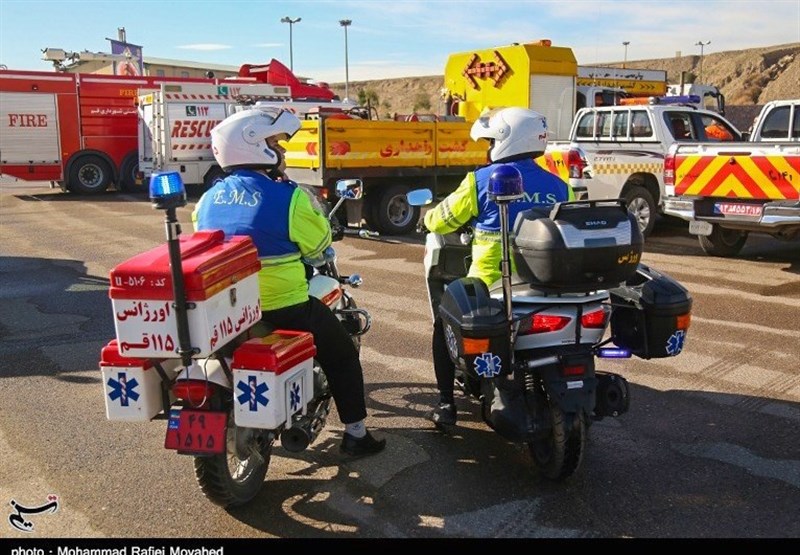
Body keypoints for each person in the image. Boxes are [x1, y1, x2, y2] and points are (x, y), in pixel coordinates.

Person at [192, 107, 386, 459]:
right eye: (274, 143)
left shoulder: (207, 200)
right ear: (254, 145)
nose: (281, 150)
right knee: (342, 355)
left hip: (226, 311)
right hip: (283, 306)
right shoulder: (288, 197)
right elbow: (318, 244)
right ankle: (356, 434)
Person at [423, 107, 575, 426]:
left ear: (507, 140)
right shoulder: (560, 186)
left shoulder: (481, 180)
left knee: (443, 324)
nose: (490, 147)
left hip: (491, 286)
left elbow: (439, 221)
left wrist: (428, 216)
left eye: (491, 141)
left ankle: (446, 403)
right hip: (547, 287)